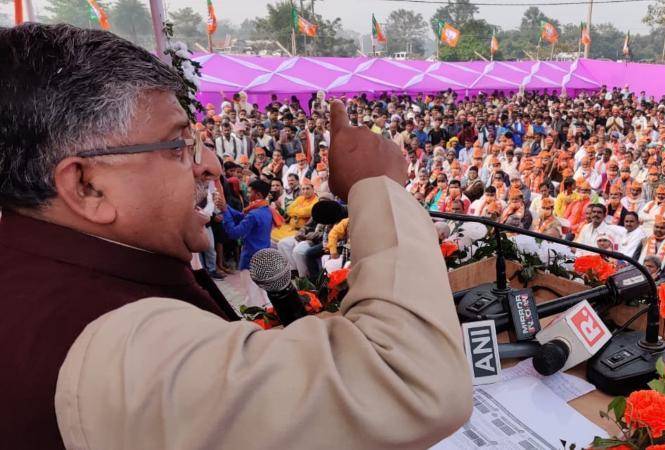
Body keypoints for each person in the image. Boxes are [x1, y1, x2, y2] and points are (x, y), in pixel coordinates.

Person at [0, 24, 472, 449]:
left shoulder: (36, 273)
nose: (209, 166)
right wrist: (379, 187)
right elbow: (411, 382)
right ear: (87, 186)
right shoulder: (111, 340)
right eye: (179, 145)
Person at [218, 180, 277, 306]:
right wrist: (226, 207)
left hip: (250, 258)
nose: (247, 194)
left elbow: (234, 232)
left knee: (253, 294)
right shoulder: (266, 209)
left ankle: (259, 320)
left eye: (250, 192)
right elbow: (242, 216)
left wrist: (225, 212)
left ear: (258, 195)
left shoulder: (254, 214)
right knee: (262, 292)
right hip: (263, 255)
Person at [634, 214, 665, 281]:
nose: (658, 230)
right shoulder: (644, 241)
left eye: (662, 228)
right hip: (638, 277)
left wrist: (657, 279)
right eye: (657, 227)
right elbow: (634, 260)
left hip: (660, 281)